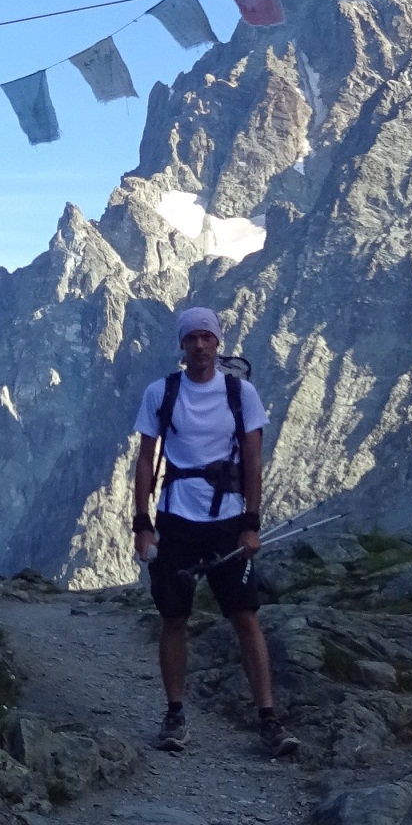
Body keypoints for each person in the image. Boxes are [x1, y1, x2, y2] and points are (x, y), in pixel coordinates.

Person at [132, 307, 299, 758]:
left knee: (246, 617)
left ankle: (268, 718)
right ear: (182, 346)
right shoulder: (161, 393)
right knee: (173, 618)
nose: (200, 345)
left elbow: (252, 460)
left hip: (227, 523)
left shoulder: (241, 394)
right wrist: (142, 524)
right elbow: (146, 460)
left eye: (207, 337)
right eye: (192, 338)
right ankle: (174, 714)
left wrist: (251, 523)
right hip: (175, 520)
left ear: (218, 343)